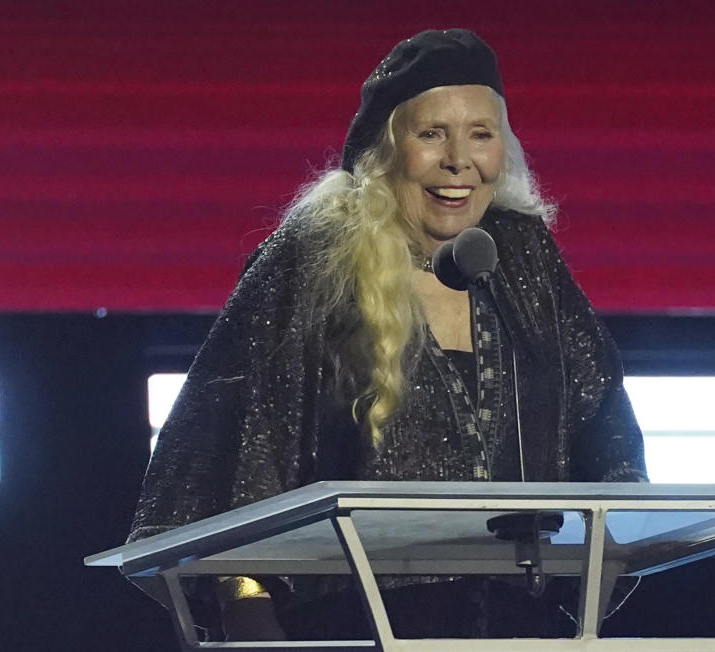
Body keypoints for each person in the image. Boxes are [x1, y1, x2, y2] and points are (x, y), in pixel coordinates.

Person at [128, 28, 647, 641]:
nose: (460, 160)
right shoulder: (311, 262)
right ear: (385, 148)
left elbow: (603, 426)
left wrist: (606, 554)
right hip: (350, 625)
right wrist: (248, 609)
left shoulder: (524, 258)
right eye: (432, 134)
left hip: (515, 625)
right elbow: (232, 453)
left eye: (481, 134)